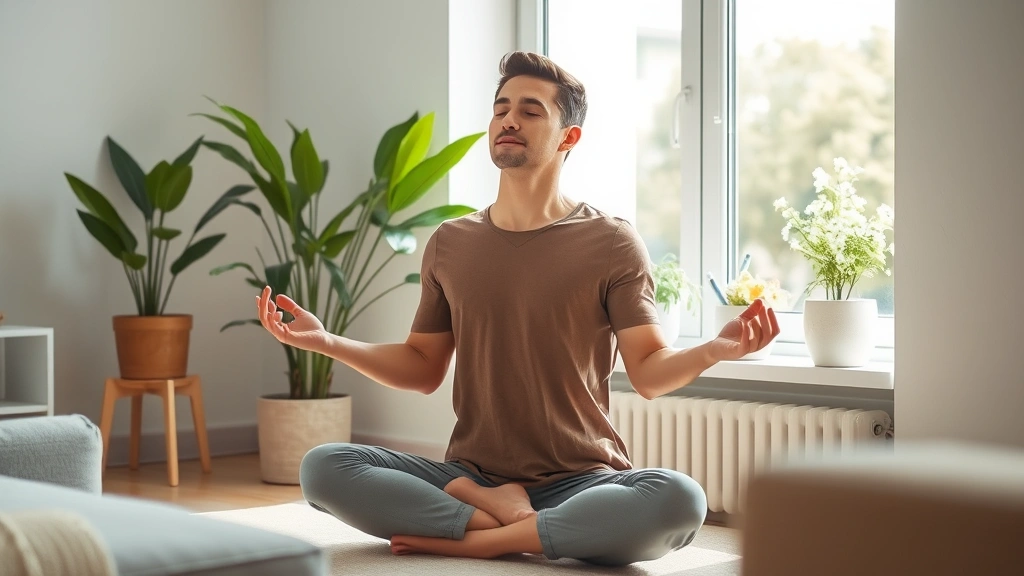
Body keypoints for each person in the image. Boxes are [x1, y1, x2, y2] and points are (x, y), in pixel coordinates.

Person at [254, 51, 779, 566]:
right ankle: (516, 523)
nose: (508, 120)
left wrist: (714, 349)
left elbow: (647, 373)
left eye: (531, 111)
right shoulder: (451, 242)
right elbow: (421, 367)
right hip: (472, 477)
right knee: (325, 467)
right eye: (501, 108)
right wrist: (325, 342)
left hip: (582, 481)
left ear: (568, 137)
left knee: (679, 500)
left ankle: (484, 538)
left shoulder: (611, 241)